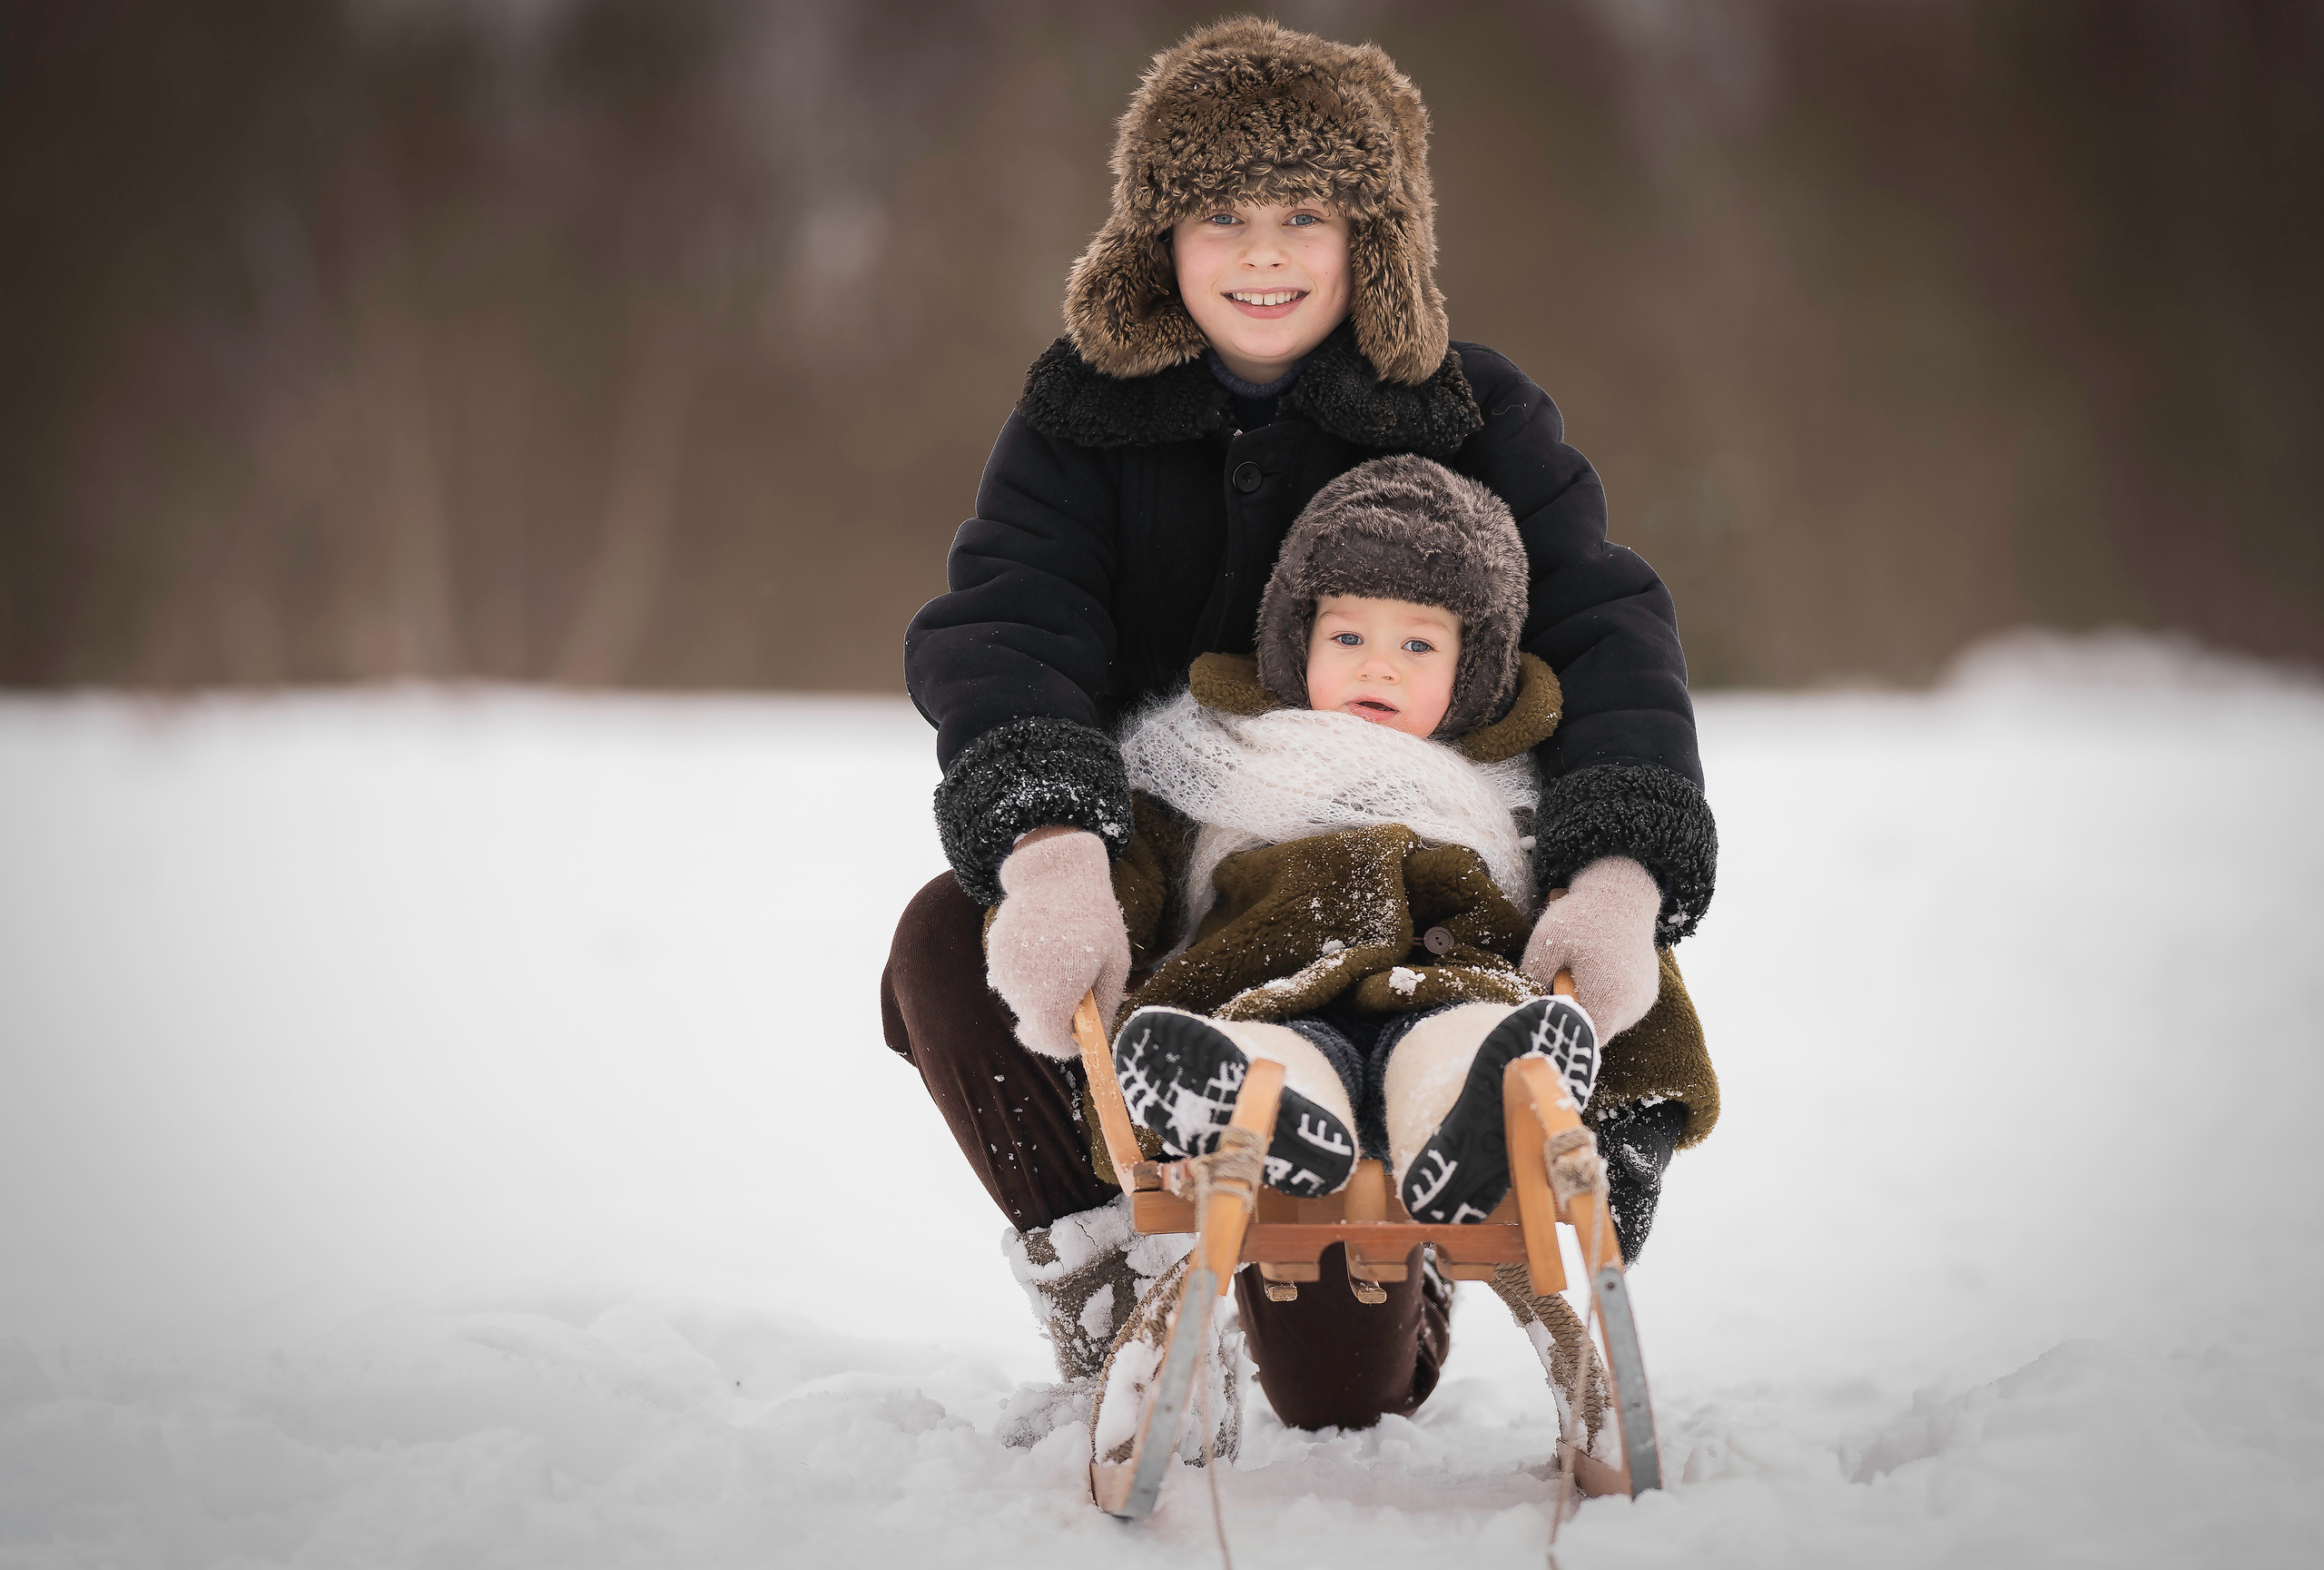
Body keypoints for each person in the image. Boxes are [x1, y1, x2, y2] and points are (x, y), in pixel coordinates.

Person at [882, 18, 1718, 1450]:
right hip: (1181, 884)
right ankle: (1122, 1269)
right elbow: (1010, 624)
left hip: (1415, 896)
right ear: (1160, 235)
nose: (1261, 255)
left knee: (1338, 1399)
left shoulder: (1473, 411)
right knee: (942, 947)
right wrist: (1051, 848)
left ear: (1370, 235)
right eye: (1221, 216)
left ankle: (1420, 1225)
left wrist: (1618, 877)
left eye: (1304, 216)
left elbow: (1608, 627)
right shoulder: (1084, 417)